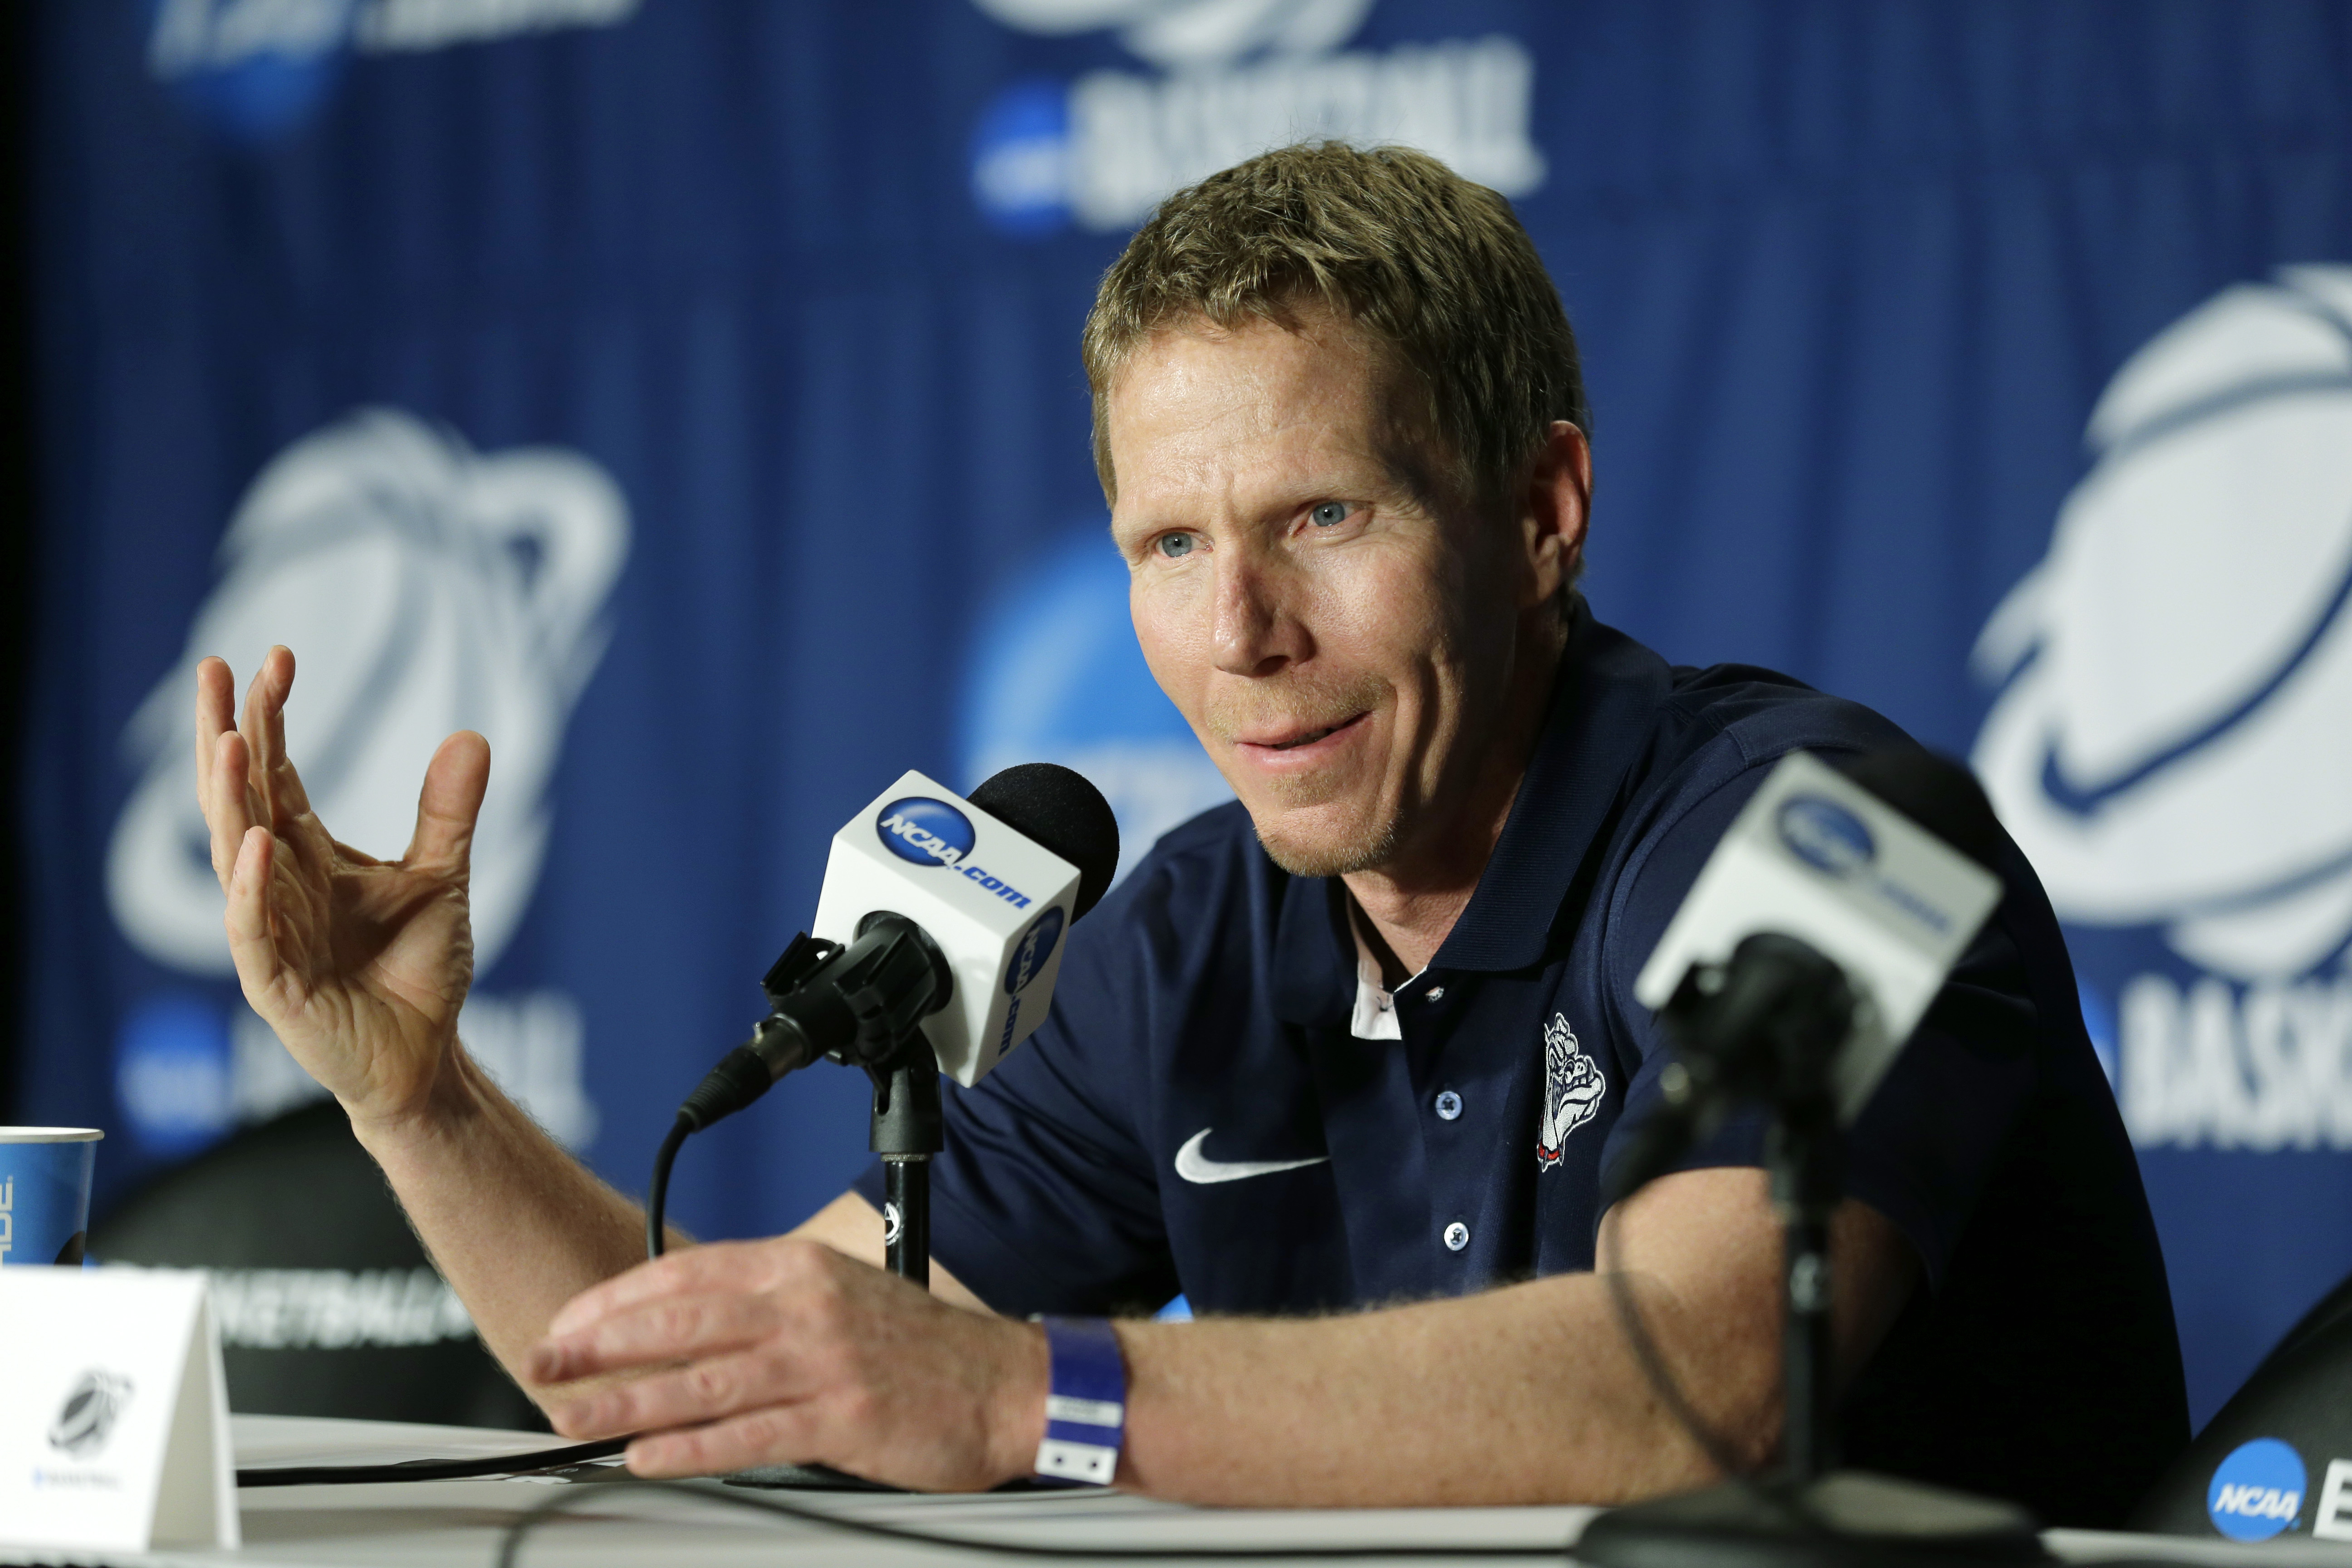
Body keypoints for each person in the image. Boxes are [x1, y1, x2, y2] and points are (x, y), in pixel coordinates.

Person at [192, 143, 2186, 1524]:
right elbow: (716, 1400)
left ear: (1541, 514)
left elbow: (1702, 1385)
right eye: (1166, 545)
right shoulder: (1196, 935)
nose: (1240, 635)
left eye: (1324, 517)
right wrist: (416, 1097)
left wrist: (1020, 1399)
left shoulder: (1826, 836)